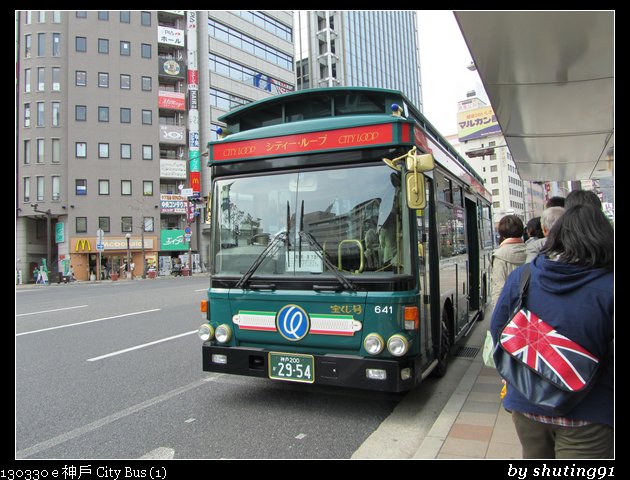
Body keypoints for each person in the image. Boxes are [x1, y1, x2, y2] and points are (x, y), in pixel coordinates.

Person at [490, 204, 614, 458]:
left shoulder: (523, 277)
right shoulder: (608, 285)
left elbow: (497, 329)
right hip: (589, 412)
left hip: (526, 400)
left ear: (554, 235)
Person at [490, 215, 526, 304]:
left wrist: (497, 314)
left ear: (501, 233)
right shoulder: (532, 251)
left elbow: (499, 288)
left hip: (511, 309)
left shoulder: (499, 255)